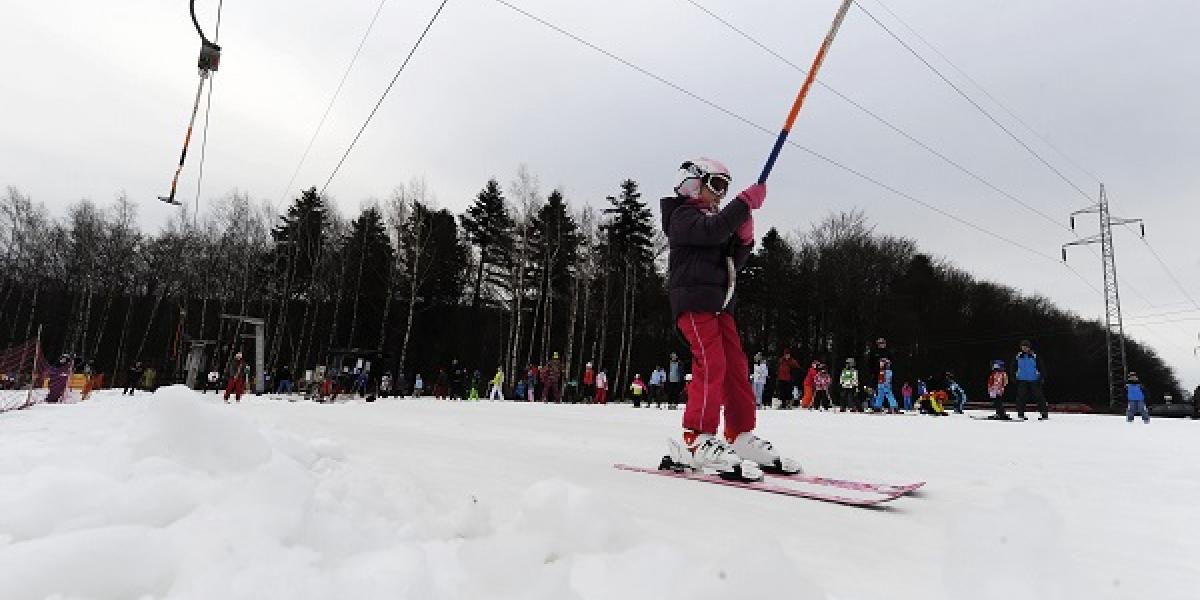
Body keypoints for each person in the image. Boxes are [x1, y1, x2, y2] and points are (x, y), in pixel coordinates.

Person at [660, 157, 801, 481]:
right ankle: (695, 436)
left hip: (721, 304)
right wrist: (743, 203)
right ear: (694, 182)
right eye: (717, 186)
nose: (721, 195)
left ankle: (739, 434)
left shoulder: (713, 221)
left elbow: (732, 261)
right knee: (711, 364)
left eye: (727, 188)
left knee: (736, 367)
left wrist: (745, 241)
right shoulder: (681, 216)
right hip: (694, 303)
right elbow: (711, 232)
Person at [1013, 340, 1049, 420]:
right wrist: (1014, 377)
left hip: (1034, 379)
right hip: (1022, 379)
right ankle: (1020, 414)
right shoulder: (1018, 356)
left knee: (1039, 397)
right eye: (1023, 346)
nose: (1024, 348)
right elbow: (1013, 367)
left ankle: (1044, 413)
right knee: (1021, 397)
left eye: (1026, 347)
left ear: (1029, 347)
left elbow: (1041, 367)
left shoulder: (1035, 356)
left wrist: (1041, 377)